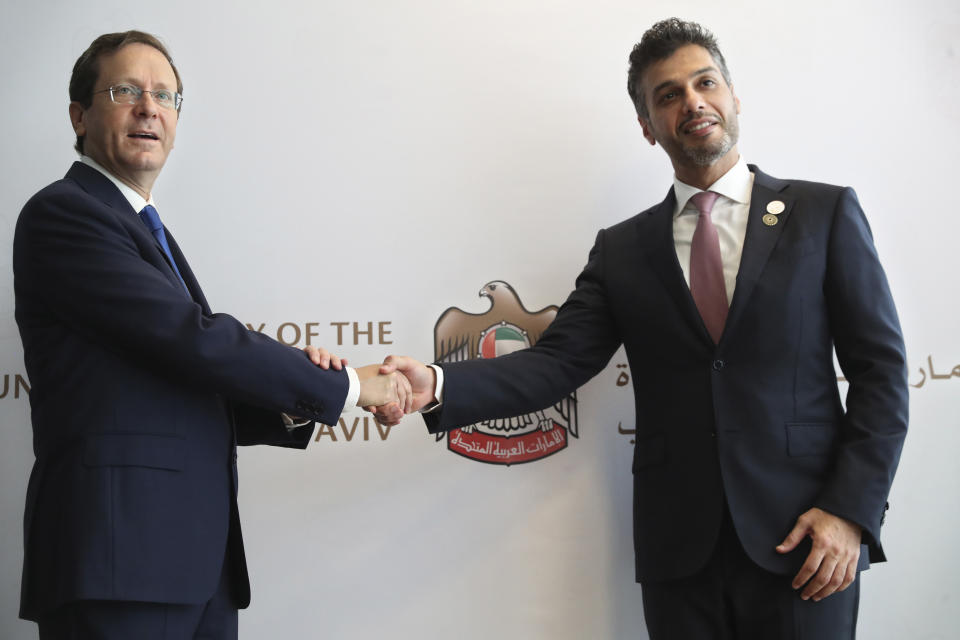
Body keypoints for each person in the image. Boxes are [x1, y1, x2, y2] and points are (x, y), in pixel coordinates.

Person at [375, 18, 908, 639]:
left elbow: (881, 375)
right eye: (668, 95)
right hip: (680, 553)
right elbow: (555, 364)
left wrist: (851, 512)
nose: (692, 102)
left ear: (734, 98)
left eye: (705, 83)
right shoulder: (623, 250)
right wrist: (436, 381)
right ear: (647, 127)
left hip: (807, 544)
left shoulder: (825, 213)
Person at [13, 30, 409, 639]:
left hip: (195, 566)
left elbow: (178, 377)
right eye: (127, 91)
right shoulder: (64, 214)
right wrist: (351, 388)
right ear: (79, 115)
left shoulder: (145, 228)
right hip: (118, 563)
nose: (150, 107)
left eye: (167, 96)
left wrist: (288, 407)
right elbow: (187, 337)